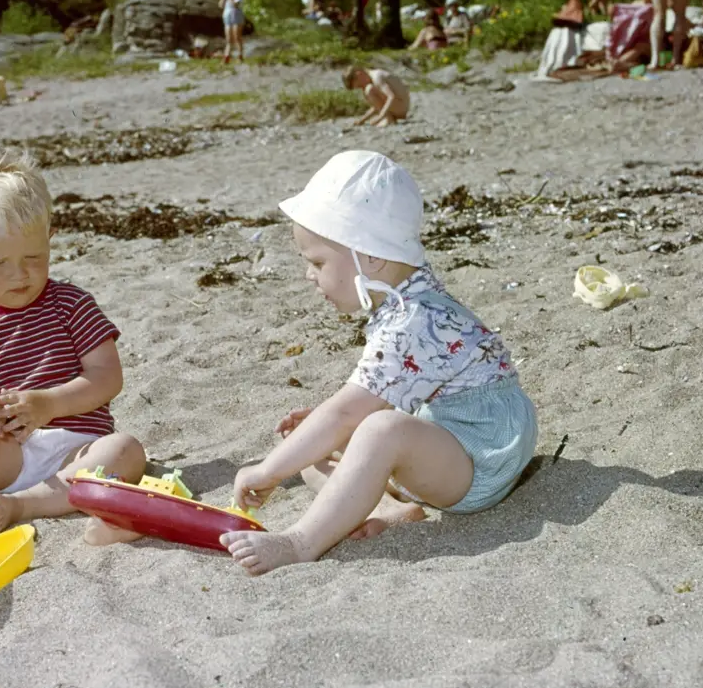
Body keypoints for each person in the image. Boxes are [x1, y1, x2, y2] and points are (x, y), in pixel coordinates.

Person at [219, 150, 539, 575]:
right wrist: (317, 435)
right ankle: (395, 509)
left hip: (481, 456)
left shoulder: (416, 319)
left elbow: (351, 409)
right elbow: (380, 396)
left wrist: (267, 470)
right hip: (449, 439)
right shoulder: (403, 299)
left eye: (317, 262)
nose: (309, 276)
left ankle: (300, 542)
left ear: (370, 257)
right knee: (316, 443)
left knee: (372, 428)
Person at [0, 147, 147, 553]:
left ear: (50, 241)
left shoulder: (71, 304)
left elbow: (108, 378)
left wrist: (45, 405)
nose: (19, 274)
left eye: (33, 257)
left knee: (125, 450)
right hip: (9, 455)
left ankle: (27, 505)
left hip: (78, 449)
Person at [341, 66, 411, 129]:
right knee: (369, 89)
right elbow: (377, 106)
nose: (362, 87)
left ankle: (388, 119)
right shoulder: (373, 78)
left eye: (359, 85)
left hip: (401, 105)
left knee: (369, 89)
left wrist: (380, 117)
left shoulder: (377, 77)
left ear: (359, 74)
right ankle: (388, 117)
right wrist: (362, 120)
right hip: (398, 105)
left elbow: (391, 96)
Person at [218, 0, 245, 64]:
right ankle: (226, 57)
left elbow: (236, 4)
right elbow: (220, 5)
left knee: (237, 37)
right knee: (228, 38)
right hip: (227, 15)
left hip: (236, 14)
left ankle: (240, 55)